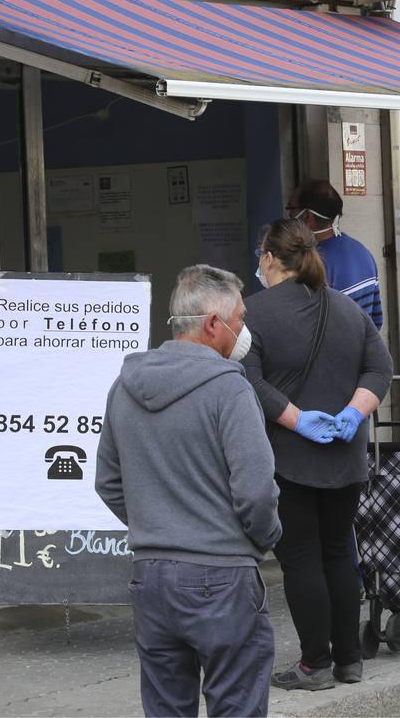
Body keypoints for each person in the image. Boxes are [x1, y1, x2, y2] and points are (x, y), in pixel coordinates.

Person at [95, 265, 282, 718]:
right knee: (236, 704)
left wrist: (154, 524)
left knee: (165, 708)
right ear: (214, 324)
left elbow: (107, 482)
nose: (245, 330)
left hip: (150, 577)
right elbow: (256, 491)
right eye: (240, 319)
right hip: (223, 576)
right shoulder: (229, 388)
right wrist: (263, 539)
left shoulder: (125, 387)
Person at [244, 219, 393, 691]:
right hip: (346, 458)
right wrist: (354, 412)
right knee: (338, 555)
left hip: (290, 460)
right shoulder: (348, 309)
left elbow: (247, 381)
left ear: (269, 259)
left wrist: (294, 418)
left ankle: (314, 665)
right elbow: (381, 368)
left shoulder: (253, 314)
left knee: (302, 560)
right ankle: (349, 659)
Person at [286, 179, 383, 330]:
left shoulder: (311, 265)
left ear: (308, 217)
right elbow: (376, 321)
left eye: (290, 209)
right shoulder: (364, 253)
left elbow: (304, 330)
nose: (289, 216)